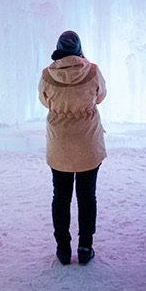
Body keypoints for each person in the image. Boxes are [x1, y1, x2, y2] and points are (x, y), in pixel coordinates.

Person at [39, 30, 107, 265]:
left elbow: (44, 100)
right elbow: (101, 97)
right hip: (88, 143)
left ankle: (63, 249)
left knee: (61, 196)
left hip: (60, 144)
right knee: (87, 196)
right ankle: (86, 246)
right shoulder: (93, 71)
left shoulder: (48, 75)